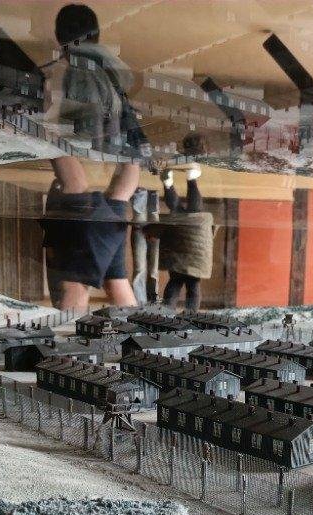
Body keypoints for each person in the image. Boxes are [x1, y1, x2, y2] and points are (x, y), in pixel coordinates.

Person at [39, 4, 151, 311]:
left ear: (60, 35)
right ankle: (140, 338)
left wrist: (44, 126)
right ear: (97, 33)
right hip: (115, 200)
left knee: (78, 282)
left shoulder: (72, 70)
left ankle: (67, 345)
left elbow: (70, 140)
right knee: (115, 281)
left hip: (90, 200)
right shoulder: (114, 71)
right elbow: (130, 145)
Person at [145, 134, 214, 311]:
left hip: (178, 247)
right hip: (194, 250)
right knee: (193, 286)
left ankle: (169, 184)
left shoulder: (176, 155)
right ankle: (185, 180)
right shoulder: (199, 158)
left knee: (175, 282)